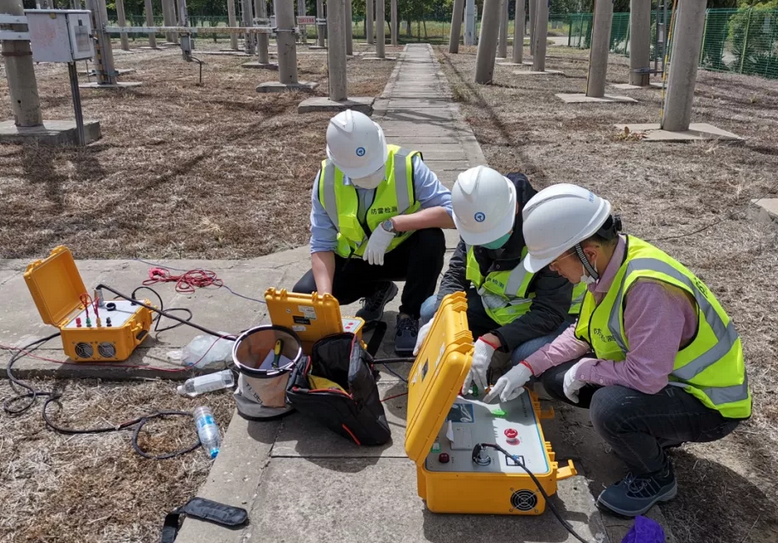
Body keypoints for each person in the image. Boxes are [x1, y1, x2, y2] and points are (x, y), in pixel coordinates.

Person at [487, 183, 751, 517]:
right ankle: (652, 434)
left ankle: (656, 478)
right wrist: (526, 367)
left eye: (553, 262)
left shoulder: (648, 289)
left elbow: (646, 379)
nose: (552, 270)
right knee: (554, 376)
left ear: (588, 252)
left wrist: (585, 370)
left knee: (610, 407)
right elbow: (580, 334)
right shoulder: (610, 264)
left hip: (710, 405)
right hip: (670, 381)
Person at [292, 110, 455, 355]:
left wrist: (394, 224)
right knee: (306, 295)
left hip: (403, 256)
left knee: (431, 239)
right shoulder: (326, 180)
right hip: (358, 261)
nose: (370, 176)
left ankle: (409, 314)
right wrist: (326, 303)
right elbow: (322, 244)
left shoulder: (406, 165)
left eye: (374, 167)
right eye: (361, 173)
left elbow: (454, 213)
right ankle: (378, 290)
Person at [414, 167, 584, 396]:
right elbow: (456, 273)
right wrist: (442, 316)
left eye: (492, 234)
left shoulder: (544, 234)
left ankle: (525, 371)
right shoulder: (475, 222)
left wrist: (492, 340)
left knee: (524, 355)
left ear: (513, 209)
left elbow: (549, 310)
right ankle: (482, 359)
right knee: (429, 310)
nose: (485, 244)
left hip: (555, 318)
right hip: (497, 307)